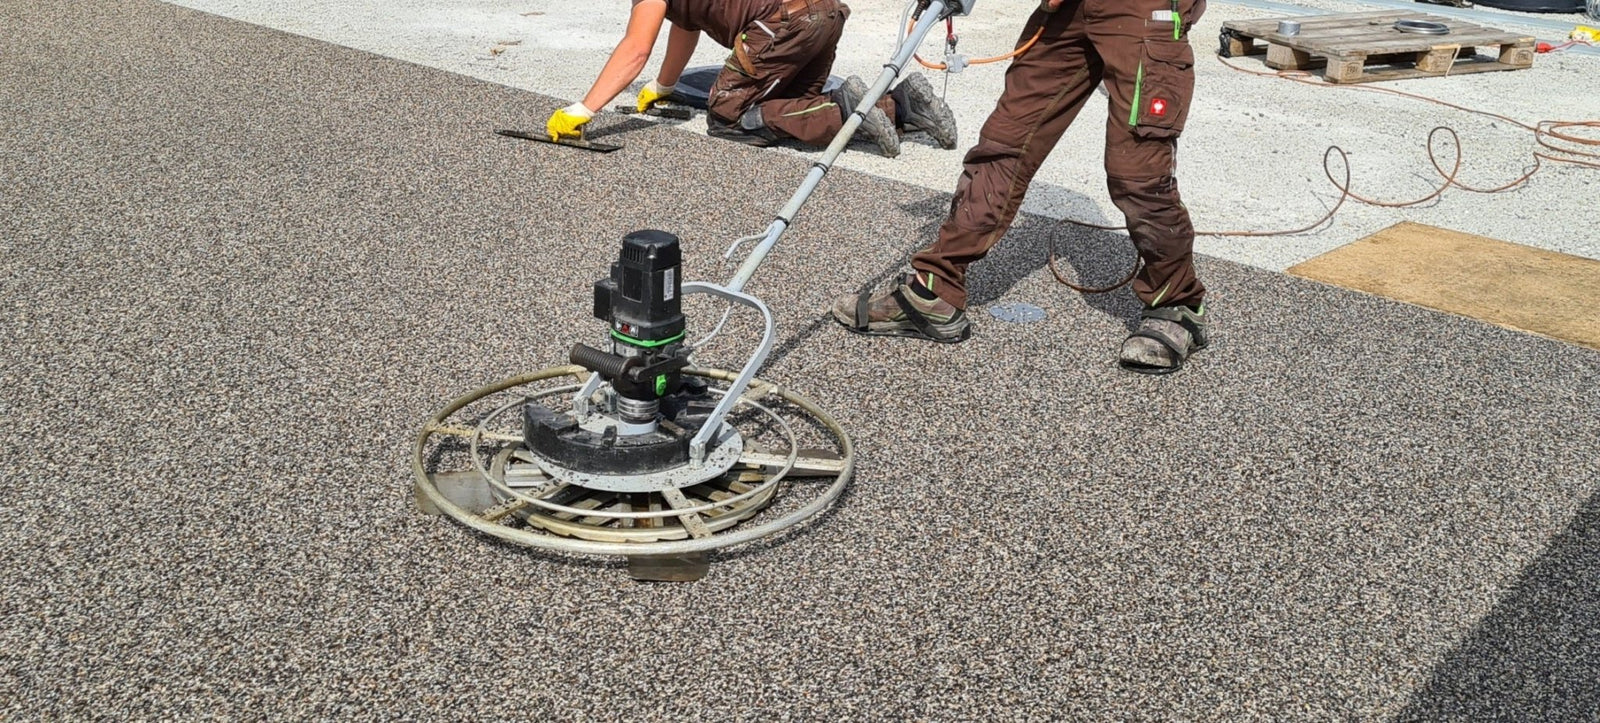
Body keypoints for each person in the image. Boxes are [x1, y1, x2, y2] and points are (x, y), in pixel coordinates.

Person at [830, 0, 1211, 375]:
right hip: (1067, 11)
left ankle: (1178, 304)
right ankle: (935, 291)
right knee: (1004, 144)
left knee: (1137, 173)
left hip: (1143, 11)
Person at [545, 0, 959, 157]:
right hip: (825, 14)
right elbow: (685, 25)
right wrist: (664, 86)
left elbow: (636, 48)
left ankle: (844, 109)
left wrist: (584, 109)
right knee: (791, 110)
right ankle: (901, 105)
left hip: (783, 24)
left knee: (728, 117)